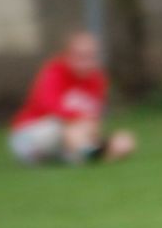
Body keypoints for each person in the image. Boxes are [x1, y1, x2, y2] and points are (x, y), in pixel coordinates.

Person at [9, 32, 136, 165]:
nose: (86, 61)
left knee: (125, 141)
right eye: (81, 56)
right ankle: (92, 152)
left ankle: (89, 153)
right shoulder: (54, 72)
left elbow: (95, 115)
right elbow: (50, 106)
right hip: (31, 136)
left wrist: (92, 127)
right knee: (70, 128)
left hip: (73, 136)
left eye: (91, 56)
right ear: (68, 55)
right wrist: (81, 119)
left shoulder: (97, 79)